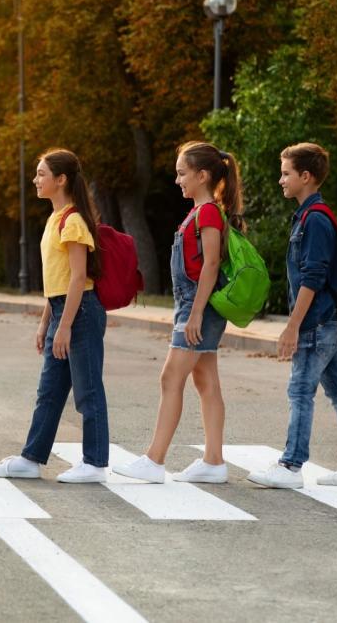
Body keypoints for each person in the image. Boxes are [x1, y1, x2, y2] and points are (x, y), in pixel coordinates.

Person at [247, 143, 337, 488]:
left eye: (286, 173)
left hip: (315, 323)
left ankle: (290, 466)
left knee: (300, 391)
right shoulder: (310, 215)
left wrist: (292, 326)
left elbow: (313, 278)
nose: (280, 179)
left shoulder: (315, 220)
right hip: (324, 321)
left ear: (306, 176)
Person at [114, 142, 242, 484]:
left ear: (202, 176)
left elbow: (212, 264)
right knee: (205, 380)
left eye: (182, 173)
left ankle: (155, 460)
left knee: (171, 377)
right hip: (195, 304)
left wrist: (196, 313)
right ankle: (213, 461)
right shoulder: (201, 211)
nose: (177, 180)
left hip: (196, 305)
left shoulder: (208, 213)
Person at [0, 149, 109, 483]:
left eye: (41, 174)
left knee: (88, 390)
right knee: (49, 391)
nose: (36, 180)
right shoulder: (55, 218)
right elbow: (56, 281)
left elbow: (78, 277)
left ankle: (95, 464)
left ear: (61, 179)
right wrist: (47, 323)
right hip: (62, 310)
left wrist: (65, 325)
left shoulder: (73, 221)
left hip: (80, 310)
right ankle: (31, 458)